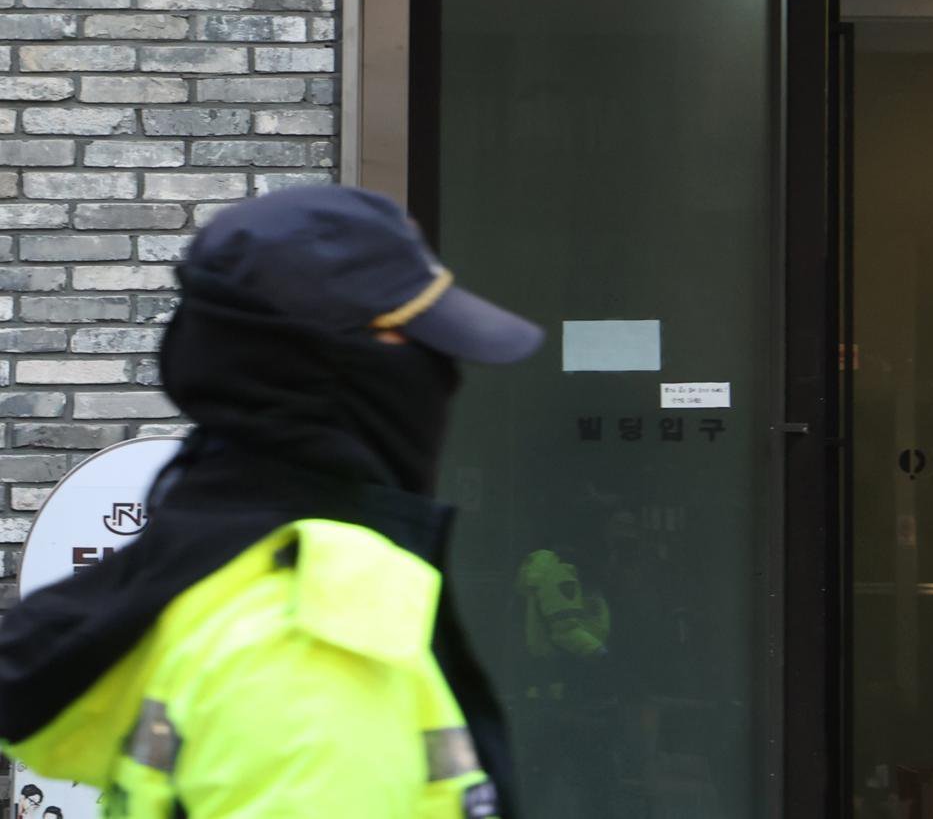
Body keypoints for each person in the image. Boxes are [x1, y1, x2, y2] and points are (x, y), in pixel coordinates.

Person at [0, 185, 544, 818]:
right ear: (327, 368)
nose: (445, 373)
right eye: (414, 340)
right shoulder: (314, 646)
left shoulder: (209, 569)